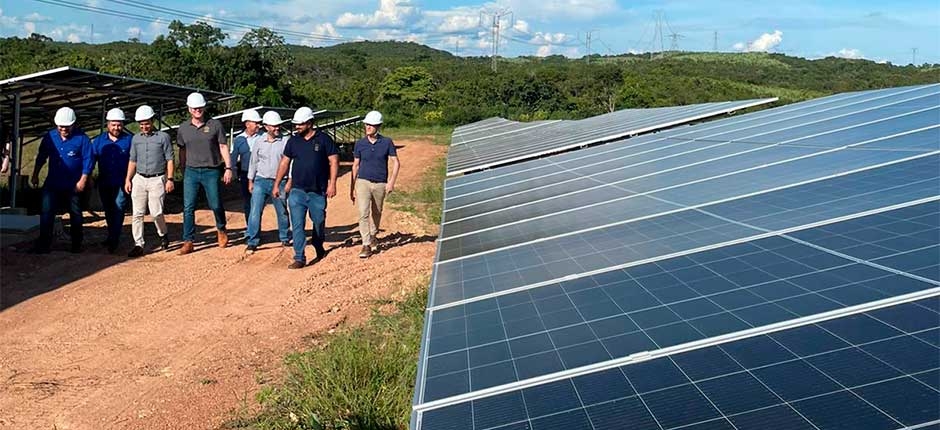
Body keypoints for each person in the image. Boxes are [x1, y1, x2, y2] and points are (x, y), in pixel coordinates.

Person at [273, 107, 338, 269]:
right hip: (297, 191)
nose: (297, 127)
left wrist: (333, 184)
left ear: (309, 123)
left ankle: (317, 243)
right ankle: (299, 257)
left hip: (317, 191)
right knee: (297, 224)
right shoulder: (293, 141)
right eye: (296, 124)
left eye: (300, 124)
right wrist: (277, 184)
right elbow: (284, 163)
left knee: (318, 221)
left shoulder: (324, 140)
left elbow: (334, 161)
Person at [30, 107, 94, 254]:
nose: (63, 129)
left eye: (66, 126)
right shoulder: (50, 137)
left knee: (75, 213)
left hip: (73, 184)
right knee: (46, 212)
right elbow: (42, 156)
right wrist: (35, 174)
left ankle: (76, 244)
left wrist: (83, 180)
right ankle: (44, 244)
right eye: (61, 126)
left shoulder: (82, 139)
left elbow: (88, 160)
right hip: (53, 182)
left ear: (73, 124)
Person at [177, 92, 234, 255]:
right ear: (189, 109)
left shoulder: (215, 125)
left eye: (200, 107)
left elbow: (223, 146)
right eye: (194, 108)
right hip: (191, 171)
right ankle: (188, 240)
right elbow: (182, 149)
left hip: (211, 170)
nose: (197, 110)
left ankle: (221, 229)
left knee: (215, 204)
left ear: (204, 107)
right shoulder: (183, 128)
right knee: (188, 207)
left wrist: (228, 168)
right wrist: (182, 168)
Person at [124, 105, 174, 258]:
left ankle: (163, 233)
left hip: (157, 178)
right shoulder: (136, 139)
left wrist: (170, 179)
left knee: (156, 212)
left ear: (152, 121)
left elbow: (170, 159)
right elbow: (132, 160)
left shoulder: (163, 138)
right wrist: (128, 179)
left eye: (146, 123)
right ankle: (138, 244)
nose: (144, 126)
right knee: (137, 213)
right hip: (139, 178)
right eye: (141, 124)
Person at [350, 111, 400, 258]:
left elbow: (396, 162)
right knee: (363, 213)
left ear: (378, 126)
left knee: (377, 211)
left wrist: (391, 182)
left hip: (380, 183)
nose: (367, 127)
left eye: (370, 125)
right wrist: (352, 187)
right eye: (366, 124)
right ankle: (366, 244)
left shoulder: (387, 142)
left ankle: (373, 234)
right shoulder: (360, 144)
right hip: (363, 182)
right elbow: (355, 166)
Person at [244, 111, 291, 254]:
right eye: (274, 126)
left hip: (280, 181)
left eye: (279, 126)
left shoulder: (286, 141)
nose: (277, 128)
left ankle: (284, 237)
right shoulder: (259, 141)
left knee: (282, 211)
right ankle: (252, 240)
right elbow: (254, 162)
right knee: (255, 211)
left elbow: (291, 162)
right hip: (261, 180)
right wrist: (250, 180)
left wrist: (289, 180)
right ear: (266, 127)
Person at [92, 108, 133, 253]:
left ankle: (114, 240)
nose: (116, 128)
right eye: (113, 125)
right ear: (107, 124)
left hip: (122, 182)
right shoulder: (98, 141)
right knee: (109, 210)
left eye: (119, 125)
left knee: (119, 207)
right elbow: (91, 160)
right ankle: (111, 235)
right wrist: (89, 177)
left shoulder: (129, 140)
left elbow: (134, 161)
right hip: (105, 182)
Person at [231, 109, 265, 226]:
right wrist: (233, 172)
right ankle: (250, 228)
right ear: (247, 124)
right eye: (255, 123)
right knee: (248, 203)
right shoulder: (239, 139)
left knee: (258, 203)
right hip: (245, 175)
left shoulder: (263, 137)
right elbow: (234, 157)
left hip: (260, 175)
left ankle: (255, 228)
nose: (258, 125)